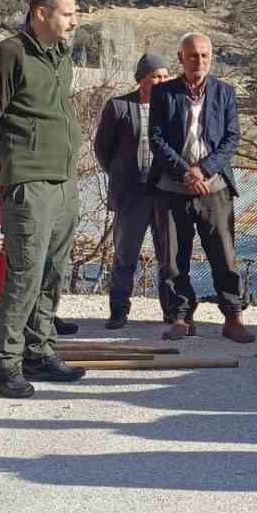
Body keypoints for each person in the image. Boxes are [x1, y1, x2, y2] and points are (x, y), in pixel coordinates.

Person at [0, 0, 87, 398]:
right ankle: (4, 366)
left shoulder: (62, 57)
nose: (74, 21)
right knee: (24, 276)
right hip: (28, 183)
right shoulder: (10, 53)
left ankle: (40, 352)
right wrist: (8, 169)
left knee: (53, 273)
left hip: (63, 181)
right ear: (40, 13)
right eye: (67, 12)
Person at [148, 32, 254, 345]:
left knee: (224, 254)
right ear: (181, 58)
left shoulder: (224, 92)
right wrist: (185, 172)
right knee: (173, 257)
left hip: (214, 186)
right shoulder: (164, 93)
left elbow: (232, 138)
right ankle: (181, 317)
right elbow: (156, 138)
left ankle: (233, 317)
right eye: (193, 56)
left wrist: (204, 170)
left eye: (205, 55)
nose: (199, 61)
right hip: (173, 186)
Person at [92, 52, 173, 330]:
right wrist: (120, 175)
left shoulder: (173, 106)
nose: (161, 81)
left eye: (165, 76)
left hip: (163, 192)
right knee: (125, 254)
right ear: (142, 79)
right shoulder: (119, 106)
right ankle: (118, 310)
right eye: (155, 76)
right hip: (132, 194)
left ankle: (172, 311)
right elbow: (102, 148)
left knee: (168, 255)